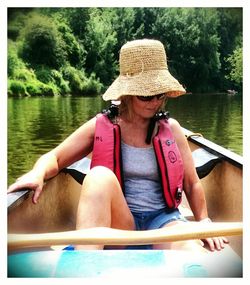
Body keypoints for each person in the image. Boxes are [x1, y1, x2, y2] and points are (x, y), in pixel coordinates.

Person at [8, 39, 228, 251]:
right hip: (120, 223)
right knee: (98, 176)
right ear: (129, 93)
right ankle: (86, 264)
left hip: (163, 221)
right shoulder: (101, 126)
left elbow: (191, 183)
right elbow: (54, 158)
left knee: (194, 256)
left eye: (159, 95)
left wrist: (204, 222)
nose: (154, 102)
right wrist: (38, 173)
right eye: (145, 95)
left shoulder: (172, 129)